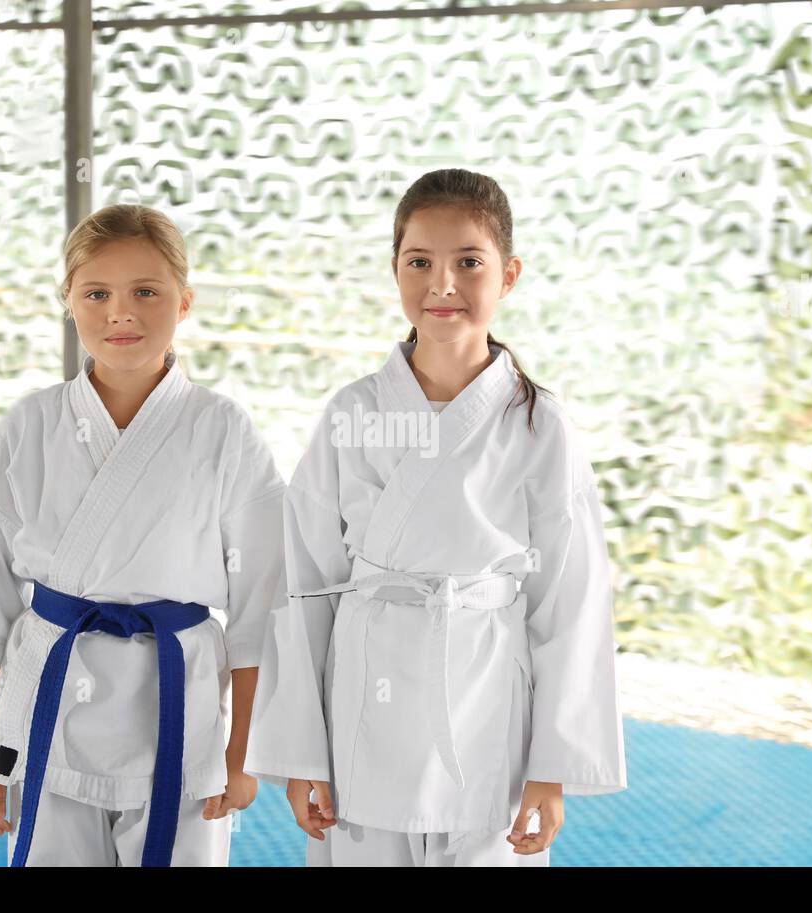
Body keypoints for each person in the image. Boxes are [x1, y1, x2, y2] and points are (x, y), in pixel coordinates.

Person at [245, 168, 627, 866]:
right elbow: (302, 583)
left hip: (486, 700)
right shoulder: (352, 414)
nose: (442, 284)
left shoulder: (541, 427)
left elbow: (570, 600)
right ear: (394, 271)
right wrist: (302, 750)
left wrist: (552, 767)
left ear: (508, 275)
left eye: (469, 263)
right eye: (419, 261)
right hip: (365, 703)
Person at [0, 204, 285, 866]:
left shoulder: (225, 431)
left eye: (146, 291)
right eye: (97, 294)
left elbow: (263, 603)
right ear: (69, 303)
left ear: (184, 301)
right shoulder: (26, 429)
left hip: (179, 716)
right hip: (48, 711)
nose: (122, 313)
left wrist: (241, 750)